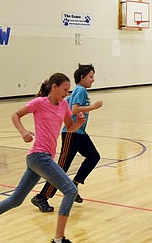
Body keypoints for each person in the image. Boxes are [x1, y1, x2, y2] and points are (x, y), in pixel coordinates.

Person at [0, 72, 86, 243]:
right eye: (64, 90)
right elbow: (16, 115)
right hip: (39, 156)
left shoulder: (64, 106)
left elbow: (69, 128)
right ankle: (59, 241)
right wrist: (23, 132)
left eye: (68, 91)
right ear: (54, 87)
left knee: (16, 200)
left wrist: (79, 123)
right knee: (70, 190)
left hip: (41, 159)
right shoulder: (39, 103)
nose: (66, 94)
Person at [32, 63, 103, 212]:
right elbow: (74, 109)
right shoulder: (80, 90)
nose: (93, 80)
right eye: (91, 76)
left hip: (80, 133)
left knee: (93, 156)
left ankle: (74, 184)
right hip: (71, 134)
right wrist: (93, 107)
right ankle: (41, 197)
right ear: (82, 77)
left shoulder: (81, 90)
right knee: (62, 168)